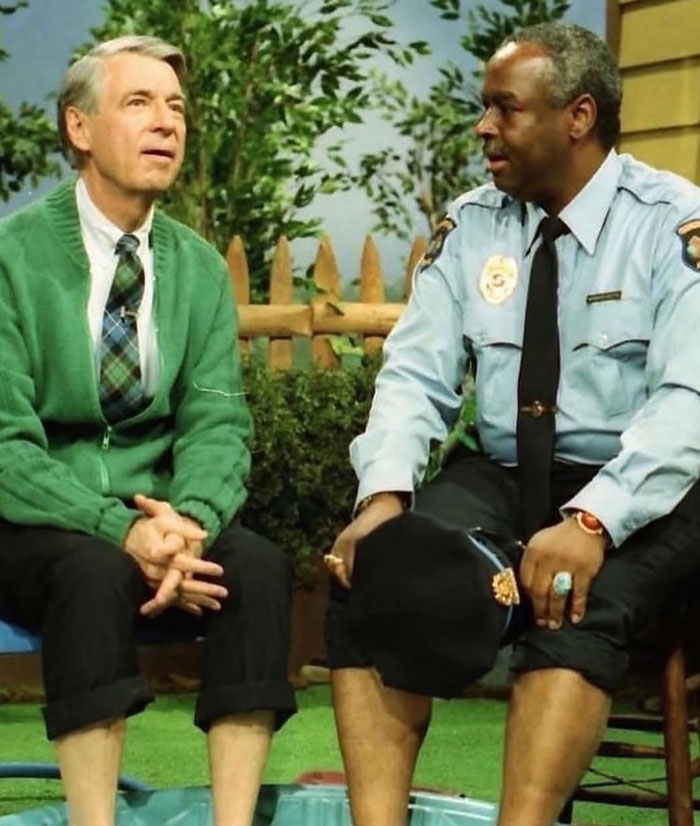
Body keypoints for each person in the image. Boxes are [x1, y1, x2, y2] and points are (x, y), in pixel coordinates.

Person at [324, 21, 700, 826]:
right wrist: (382, 501)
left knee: (571, 594)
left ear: (579, 116)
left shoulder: (672, 226)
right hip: (502, 473)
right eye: (484, 108)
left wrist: (593, 520)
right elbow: (415, 375)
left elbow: (687, 405)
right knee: (372, 576)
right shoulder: (473, 227)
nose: (484, 127)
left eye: (506, 109)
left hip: (642, 487)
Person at [0, 35, 296, 826]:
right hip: (37, 524)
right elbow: (3, 446)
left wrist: (189, 523)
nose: (166, 123)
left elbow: (216, 418)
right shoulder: (11, 257)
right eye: (139, 104)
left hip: (164, 523)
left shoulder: (196, 268)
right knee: (92, 574)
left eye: (176, 109)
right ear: (79, 128)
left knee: (258, 569)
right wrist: (117, 529)